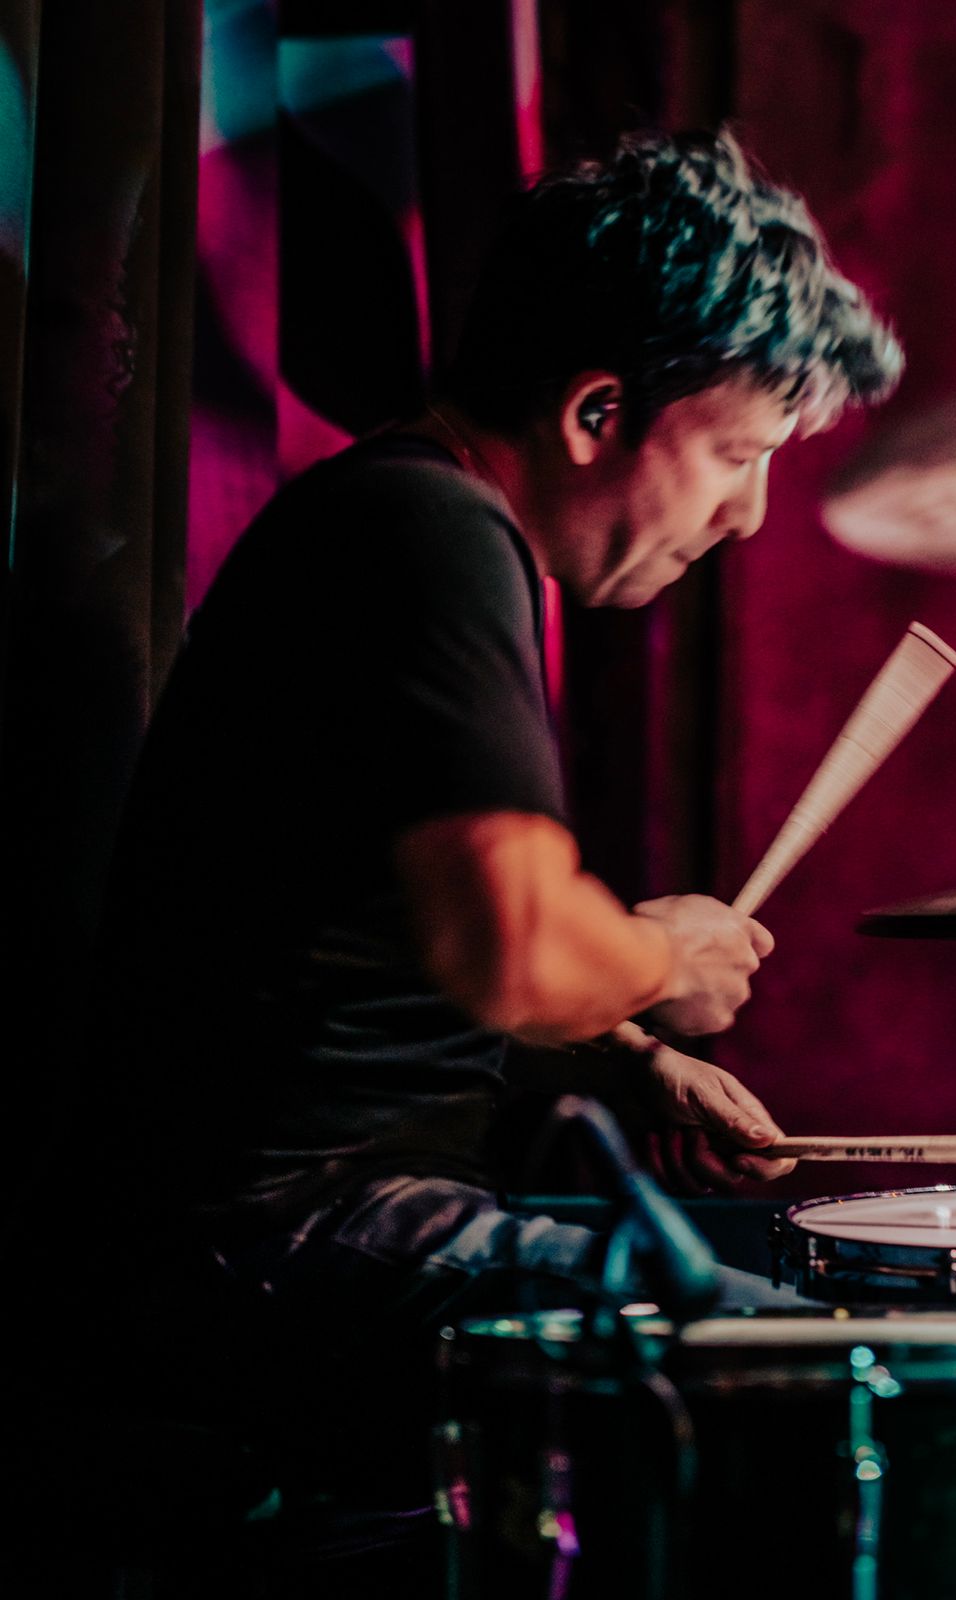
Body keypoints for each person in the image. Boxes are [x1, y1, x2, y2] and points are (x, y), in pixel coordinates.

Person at [36, 128, 901, 1551]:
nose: (747, 514)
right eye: (739, 454)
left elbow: (356, 958)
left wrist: (632, 1063)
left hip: (290, 1235)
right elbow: (510, 947)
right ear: (598, 412)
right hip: (267, 1251)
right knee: (844, 1398)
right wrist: (662, 957)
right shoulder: (430, 532)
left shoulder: (397, 517)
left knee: (797, 1302)